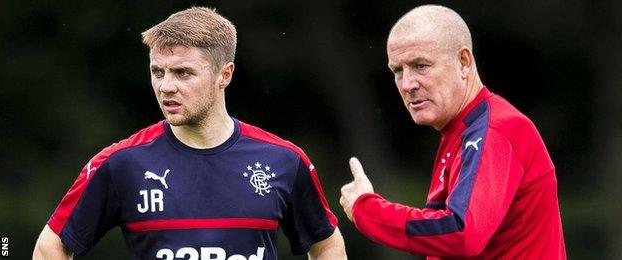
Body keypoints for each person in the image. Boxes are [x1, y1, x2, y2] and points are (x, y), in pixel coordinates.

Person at [33, 7, 346, 260]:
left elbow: (327, 246)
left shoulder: (283, 161)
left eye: (183, 72)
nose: (166, 86)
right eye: (158, 72)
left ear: (224, 75)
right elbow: (51, 249)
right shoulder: (121, 163)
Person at [339, 4, 566, 259]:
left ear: (463, 62)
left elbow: (462, 233)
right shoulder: (461, 131)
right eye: (398, 70)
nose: (407, 84)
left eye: (420, 65)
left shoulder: (496, 130)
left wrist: (368, 210)